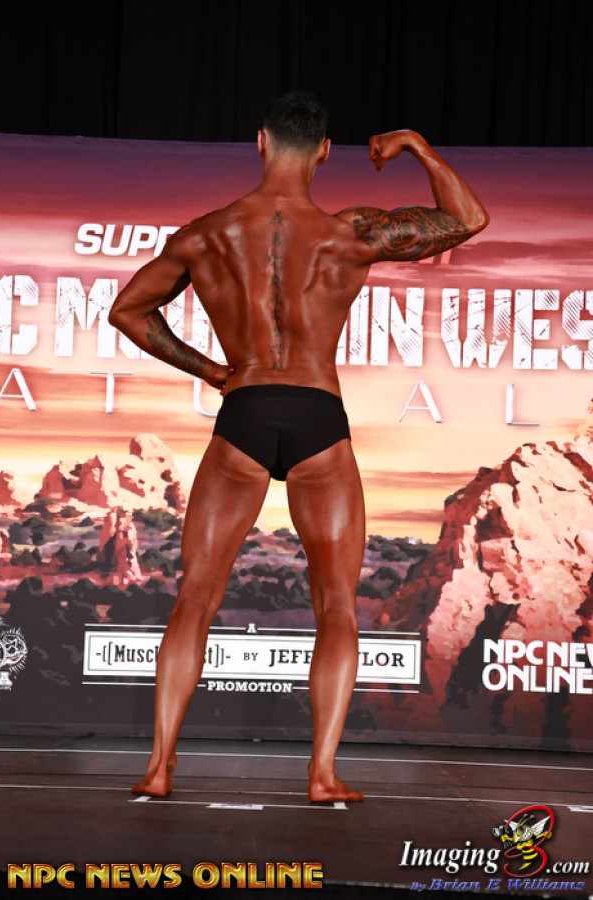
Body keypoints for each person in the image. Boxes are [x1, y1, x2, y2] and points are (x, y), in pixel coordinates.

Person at [109, 91, 488, 802]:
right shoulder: (349, 234)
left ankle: (159, 768)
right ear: (324, 151)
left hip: (244, 414)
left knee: (196, 595)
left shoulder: (206, 235)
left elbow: (127, 311)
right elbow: (468, 218)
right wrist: (414, 144)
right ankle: (322, 774)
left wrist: (213, 371)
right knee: (337, 605)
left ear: (259, 143)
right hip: (319, 418)